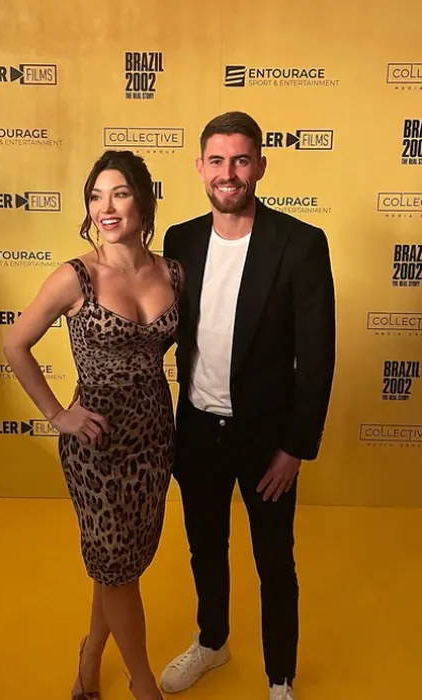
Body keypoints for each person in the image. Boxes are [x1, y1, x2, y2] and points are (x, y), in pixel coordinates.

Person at [160, 112, 336, 700]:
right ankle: (213, 642)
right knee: (206, 548)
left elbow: (318, 357)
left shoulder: (301, 244)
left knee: (274, 562)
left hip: (268, 442)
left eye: (240, 160)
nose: (228, 173)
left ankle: (280, 677)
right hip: (197, 432)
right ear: (200, 167)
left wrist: (295, 448)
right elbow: (164, 328)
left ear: (260, 165)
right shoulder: (180, 240)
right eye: (217, 160)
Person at [3, 150, 182, 700]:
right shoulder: (75, 276)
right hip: (97, 444)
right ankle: (143, 684)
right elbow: (15, 344)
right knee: (117, 567)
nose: (106, 207)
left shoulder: (172, 272)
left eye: (119, 193)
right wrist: (58, 414)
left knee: (118, 565)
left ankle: (90, 658)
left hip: (155, 439)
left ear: (143, 201)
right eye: (96, 196)